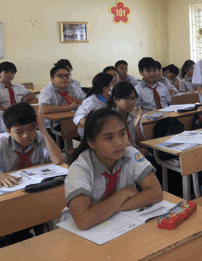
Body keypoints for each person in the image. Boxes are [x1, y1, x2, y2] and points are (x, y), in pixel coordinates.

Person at [60, 108, 163, 230]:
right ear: (92, 143)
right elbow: (84, 220)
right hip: (77, 233)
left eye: (122, 134)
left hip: (116, 223)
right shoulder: (80, 168)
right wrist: (123, 194)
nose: (119, 143)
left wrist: (108, 208)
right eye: (109, 138)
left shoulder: (131, 154)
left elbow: (156, 192)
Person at [0, 104, 63, 244]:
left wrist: (44, 131)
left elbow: (58, 159)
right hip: (10, 196)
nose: (26, 135)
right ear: (8, 131)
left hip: (35, 194)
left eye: (31, 129)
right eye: (19, 131)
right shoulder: (2, 143)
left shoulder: (40, 138)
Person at [38, 65, 86, 140]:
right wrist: (68, 108)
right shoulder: (46, 91)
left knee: (86, 134)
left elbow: (85, 101)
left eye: (67, 76)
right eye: (60, 76)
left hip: (71, 120)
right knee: (57, 143)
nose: (65, 78)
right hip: (52, 124)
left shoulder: (74, 88)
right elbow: (44, 108)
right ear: (52, 79)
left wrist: (77, 104)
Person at [107, 81, 146, 153]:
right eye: (127, 98)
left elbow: (143, 145)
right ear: (115, 100)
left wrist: (137, 126)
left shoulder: (133, 117)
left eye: (134, 98)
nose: (132, 102)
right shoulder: (109, 120)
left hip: (136, 154)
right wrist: (138, 152)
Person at [73, 73, 114, 137]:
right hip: (91, 135)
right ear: (105, 88)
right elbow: (78, 116)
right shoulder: (91, 101)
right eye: (114, 83)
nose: (117, 86)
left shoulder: (112, 99)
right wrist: (94, 124)